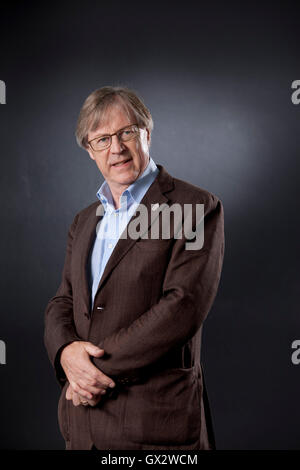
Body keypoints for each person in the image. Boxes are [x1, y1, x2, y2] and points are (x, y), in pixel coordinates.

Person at [44, 86, 225, 450]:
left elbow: (182, 307)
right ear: (89, 150)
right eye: (102, 139)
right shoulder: (84, 222)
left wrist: (89, 374)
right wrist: (65, 353)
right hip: (84, 429)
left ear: (147, 132)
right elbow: (62, 302)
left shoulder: (194, 207)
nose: (117, 148)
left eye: (126, 132)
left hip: (156, 428)